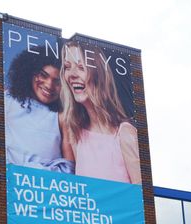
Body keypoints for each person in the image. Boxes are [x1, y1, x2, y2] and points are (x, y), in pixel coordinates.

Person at [59, 41, 141, 184]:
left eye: (80, 67)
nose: (71, 75)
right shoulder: (76, 133)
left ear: (98, 75)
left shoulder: (125, 134)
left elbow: (140, 197)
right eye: (67, 67)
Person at [5, 46, 74, 173]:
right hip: (10, 184)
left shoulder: (61, 116)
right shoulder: (7, 101)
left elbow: (69, 169)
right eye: (43, 75)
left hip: (45, 188)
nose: (49, 85)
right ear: (29, 72)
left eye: (57, 81)